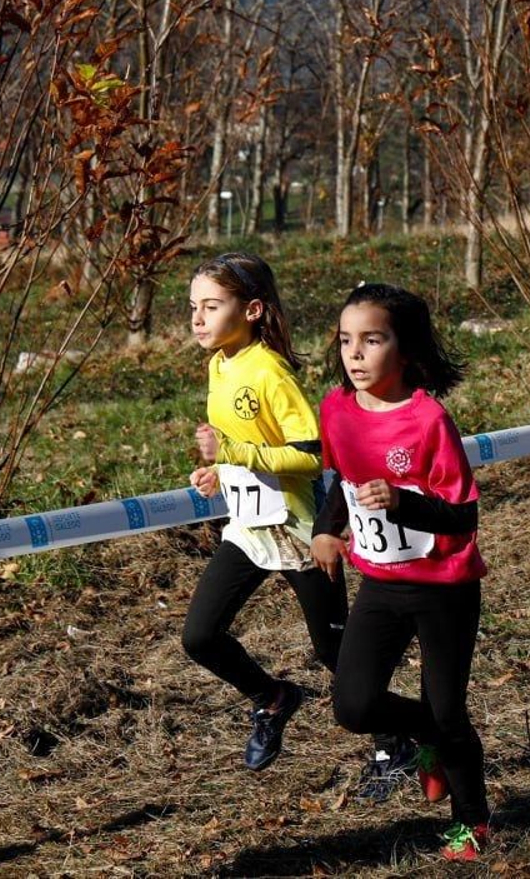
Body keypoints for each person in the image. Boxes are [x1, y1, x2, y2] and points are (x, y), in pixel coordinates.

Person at [310, 284, 490, 862]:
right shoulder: (336, 409)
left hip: (445, 587)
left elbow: (463, 515)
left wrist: (403, 502)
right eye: (345, 341)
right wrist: (326, 527)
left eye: (372, 340)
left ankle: (472, 824)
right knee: (353, 705)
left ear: (405, 350)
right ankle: (432, 740)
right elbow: (342, 480)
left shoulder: (429, 419)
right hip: (381, 583)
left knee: (446, 708)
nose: (355, 354)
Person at [181, 253, 345, 773]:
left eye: (211, 306)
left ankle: (399, 738)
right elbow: (242, 445)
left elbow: (314, 453)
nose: (198, 319)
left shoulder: (270, 371)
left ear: (251, 310)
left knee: (334, 651)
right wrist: (219, 473)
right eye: (193, 307)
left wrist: (235, 455)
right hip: (250, 528)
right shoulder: (218, 364)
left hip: (299, 531)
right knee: (200, 637)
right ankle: (273, 697)